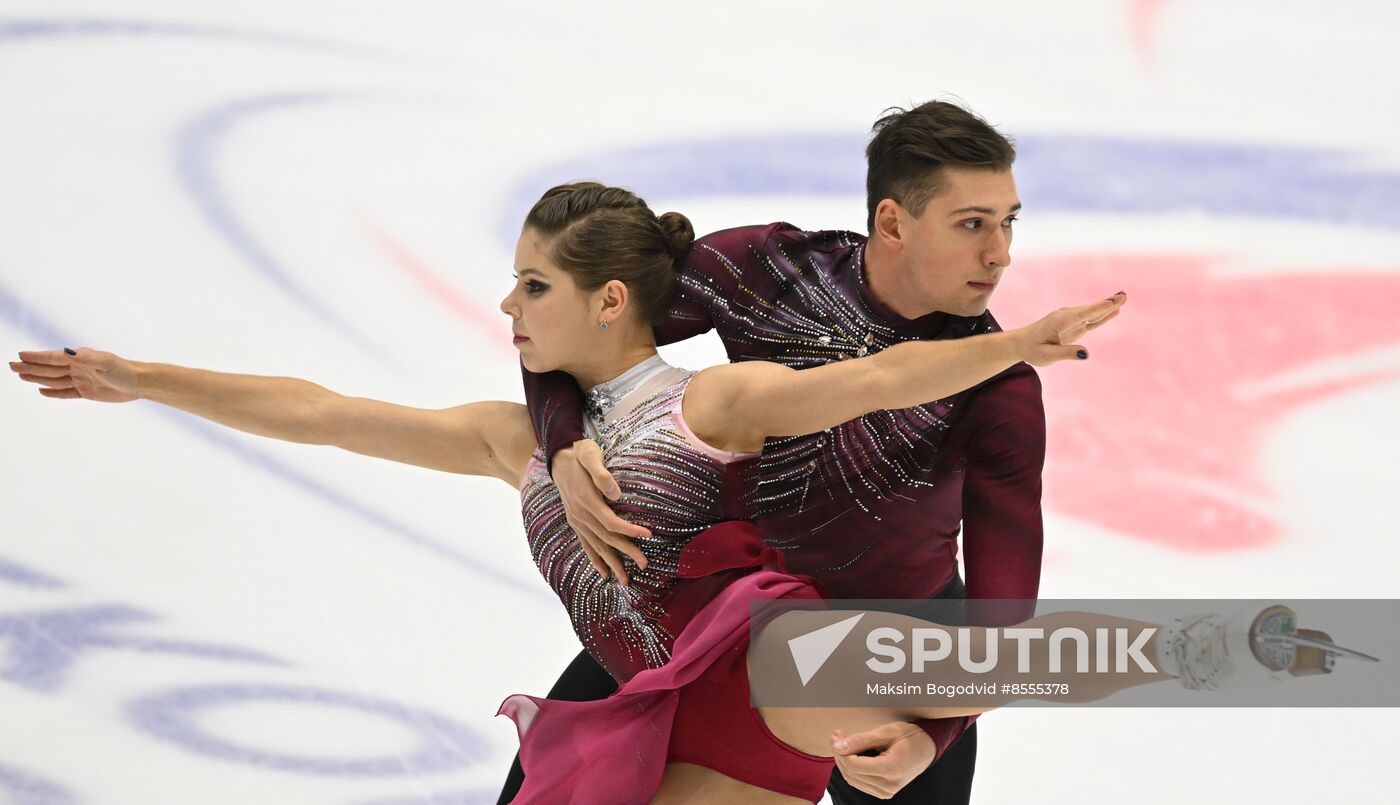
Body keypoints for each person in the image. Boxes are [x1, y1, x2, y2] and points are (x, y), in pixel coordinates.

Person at [10, 181, 1129, 804]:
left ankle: (1198, 652)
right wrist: (140, 379)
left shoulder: (712, 403)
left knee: (941, 663)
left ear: (607, 302)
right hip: (647, 702)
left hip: (757, 676)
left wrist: (1013, 345)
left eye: (532, 283)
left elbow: (879, 376)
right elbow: (317, 411)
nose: (507, 303)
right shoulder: (517, 441)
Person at [517, 99, 1037, 803]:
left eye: (1007, 222)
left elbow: (1004, 626)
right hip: (717, 632)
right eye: (973, 224)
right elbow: (573, 322)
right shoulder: (766, 273)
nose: (1000, 252)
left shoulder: (998, 387)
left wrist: (931, 734)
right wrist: (565, 445)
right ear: (892, 223)